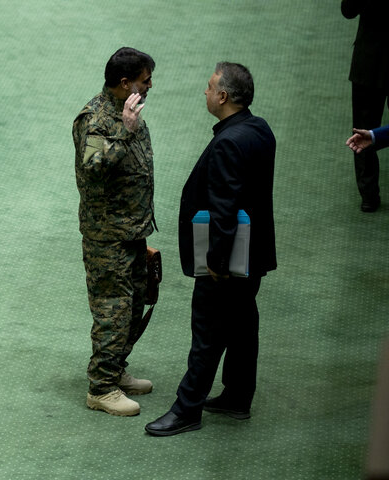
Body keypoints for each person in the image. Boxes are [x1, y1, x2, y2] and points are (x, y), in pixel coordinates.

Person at [145, 62, 277, 436]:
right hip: (253, 256)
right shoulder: (259, 129)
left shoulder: (228, 143)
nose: (204, 92)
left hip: (226, 260)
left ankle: (186, 409)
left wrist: (216, 261)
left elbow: (224, 210)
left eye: (209, 87)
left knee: (207, 332)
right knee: (242, 325)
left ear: (223, 96)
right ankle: (237, 396)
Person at [73, 47, 157, 416]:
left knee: (135, 302)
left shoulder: (126, 113)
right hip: (107, 236)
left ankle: (116, 368)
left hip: (131, 230)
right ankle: (101, 387)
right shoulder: (96, 119)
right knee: (114, 310)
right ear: (125, 83)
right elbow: (92, 167)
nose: (150, 85)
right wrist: (125, 131)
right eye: (145, 80)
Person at [341, 0, 389, 213]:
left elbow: (348, 10)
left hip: (368, 60)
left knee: (363, 127)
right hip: (369, 61)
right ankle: (368, 194)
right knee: (364, 129)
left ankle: (369, 195)